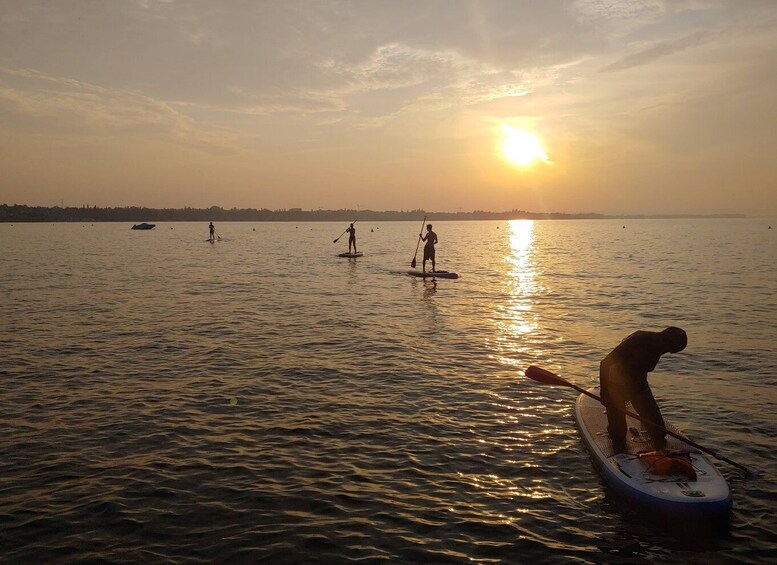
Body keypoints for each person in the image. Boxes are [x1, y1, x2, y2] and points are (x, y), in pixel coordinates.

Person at [599, 327, 687, 453]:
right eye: (671, 349)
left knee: (659, 432)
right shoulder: (638, 340)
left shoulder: (660, 346)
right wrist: (604, 393)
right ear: (666, 340)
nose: (669, 353)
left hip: (639, 388)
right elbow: (605, 363)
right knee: (618, 435)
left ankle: (659, 453)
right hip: (616, 387)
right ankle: (613, 430)